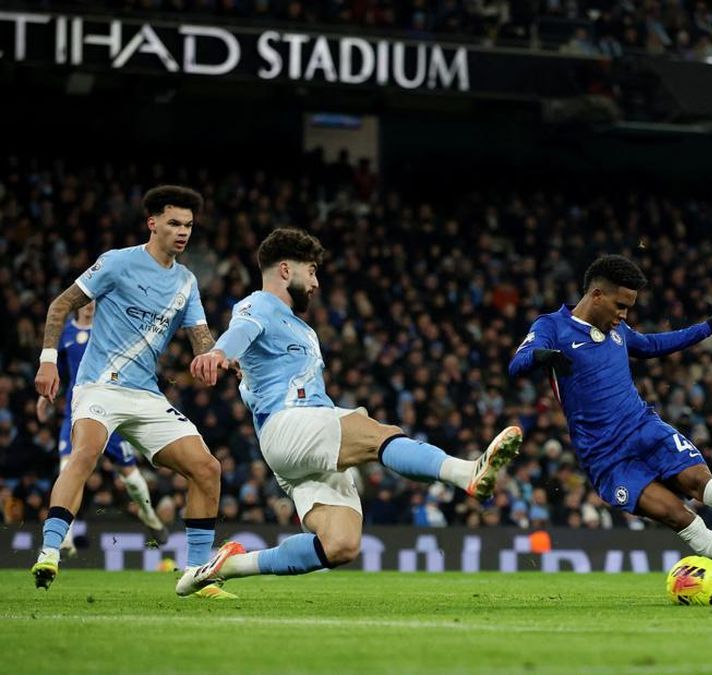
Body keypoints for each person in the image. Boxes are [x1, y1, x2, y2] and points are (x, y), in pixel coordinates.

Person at [178, 228, 522, 593]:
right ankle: (466, 472)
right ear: (284, 270)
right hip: (290, 424)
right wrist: (219, 354)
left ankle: (228, 566)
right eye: (310, 270)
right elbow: (240, 330)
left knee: (340, 545)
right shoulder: (258, 304)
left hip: (295, 444)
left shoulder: (301, 329)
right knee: (375, 432)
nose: (315, 282)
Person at [508, 254, 712, 604]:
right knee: (680, 516)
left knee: (700, 481)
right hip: (607, 457)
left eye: (629, 308)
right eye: (620, 306)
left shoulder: (618, 332)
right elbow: (516, 364)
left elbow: (652, 345)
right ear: (597, 295)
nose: (623, 315)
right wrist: (542, 356)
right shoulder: (552, 326)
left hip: (645, 428)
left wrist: (706, 328)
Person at [32, 185, 229, 598]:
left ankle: (196, 574)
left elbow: (201, 339)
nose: (183, 232)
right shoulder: (118, 263)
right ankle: (50, 551)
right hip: (99, 386)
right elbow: (60, 305)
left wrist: (215, 358)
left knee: (207, 469)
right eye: (174, 223)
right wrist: (48, 359)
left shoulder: (186, 283)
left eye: (189, 225)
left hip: (145, 396)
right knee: (84, 454)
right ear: (152, 223)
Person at [36, 301, 170, 554]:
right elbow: (60, 371)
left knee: (132, 479)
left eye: (94, 302)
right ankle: (66, 539)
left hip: (112, 409)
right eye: (85, 302)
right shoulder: (65, 334)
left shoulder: (109, 329)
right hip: (76, 412)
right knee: (69, 468)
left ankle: (150, 516)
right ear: (77, 304)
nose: (89, 307)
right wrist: (46, 395)